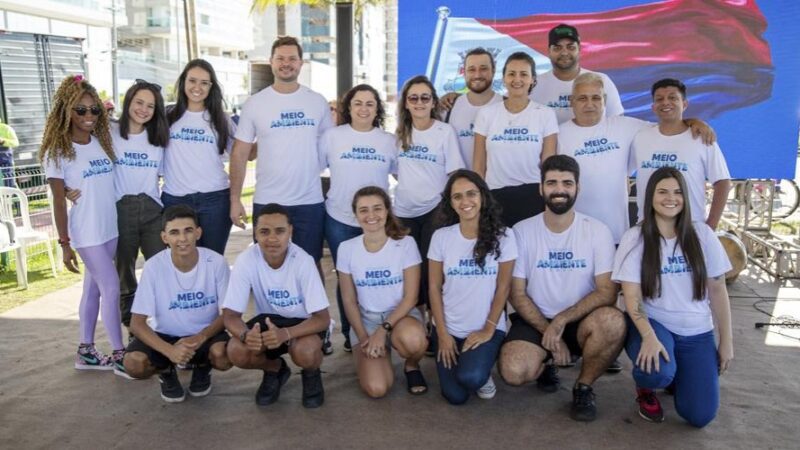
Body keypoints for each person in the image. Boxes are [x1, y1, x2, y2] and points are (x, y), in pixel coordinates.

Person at [498, 155, 624, 422]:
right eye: (552, 182)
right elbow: (516, 293)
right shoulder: (521, 231)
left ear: (578, 188)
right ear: (540, 188)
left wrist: (562, 321)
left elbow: (607, 292)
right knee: (513, 372)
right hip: (535, 320)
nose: (559, 189)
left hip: (581, 321)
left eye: (567, 183)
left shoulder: (598, 231)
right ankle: (547, 363)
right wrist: (549, 332)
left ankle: (584, 386)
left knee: (613, 321)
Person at [612, 167, 733, 427]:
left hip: (697, 332)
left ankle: (680, 373)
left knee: (700, 416)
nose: (671, 198)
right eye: (663, 191)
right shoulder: (635, 237)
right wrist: (648, 336)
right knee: (656, 373)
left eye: (678, 192)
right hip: (655, 323)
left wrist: (726, 342)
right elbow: (631, 298)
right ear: (650, 196)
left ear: (686, 197)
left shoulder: (703, 235)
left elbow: (718, 290)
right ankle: (647, 387)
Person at [558, 72, 716, 244]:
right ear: (571, 101)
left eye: (596, 98)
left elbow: (668, 125)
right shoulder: (558, 134)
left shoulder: (625, 126)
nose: (590, 104)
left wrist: (694, 122)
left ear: (604, 100)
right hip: (572, 233)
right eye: (582, 98)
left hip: (615, 234)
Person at [39, 74, 125, 374]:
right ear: (66, 111)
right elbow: (58, 201)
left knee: (93, 290)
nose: (88, 116)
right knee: (111, 287)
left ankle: (86, 352)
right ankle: (119, 354)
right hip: (86, 232)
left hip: (109, 229)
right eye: (81, 110)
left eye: (94, 110)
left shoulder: (102, 142)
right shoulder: (58, 152)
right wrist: (64, 243)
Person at [229, 36, 334, 266]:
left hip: (309, 201)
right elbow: (239, 153)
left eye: (292, 59)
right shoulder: (255, 103)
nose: (286, 63)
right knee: (268, 266)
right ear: (271, 62)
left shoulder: (317, 102)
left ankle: (311, 305)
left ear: (301, 63)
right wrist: (235, 199)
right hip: (268, 201)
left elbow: (332, 148)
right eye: (280, 58)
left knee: (310, 265)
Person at [223, 203, 330, 408]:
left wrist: (286, 334)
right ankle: (274, 369)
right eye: (264, 231)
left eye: (280, 231)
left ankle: (311, 373)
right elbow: (230, 316)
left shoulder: (303, 261)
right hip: (268, 320)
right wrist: (246, 335)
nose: (272, 238)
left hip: (303, 323)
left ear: (290, 231)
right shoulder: (246, 260)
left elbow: (322, 318)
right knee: (237, 349)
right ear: (255, 232)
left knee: (306, 351)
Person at [123, 205, 232, 402]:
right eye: (174, 232)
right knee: (133, 364)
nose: (182, 239)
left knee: (224, 355)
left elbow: (228, 314)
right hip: (164, 337)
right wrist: (169, 351)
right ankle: (165, 371)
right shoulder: (153, 266)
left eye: (188, 230)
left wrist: (201, 337)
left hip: (204, 334)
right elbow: (137, 324)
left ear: (198, 233)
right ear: (164, 237)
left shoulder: (216, 262)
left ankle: (202, 366)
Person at [320, 84, 397, 352]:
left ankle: (386, 330)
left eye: (370, 104)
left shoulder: (388, 141)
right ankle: (351, 335)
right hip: (339, 219)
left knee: (377, 277)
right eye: (358, 103)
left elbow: (402, 174)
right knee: (347, 282)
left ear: (377, 109)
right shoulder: (332, 137)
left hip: (377, 223)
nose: (363, 108)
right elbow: (313, 168)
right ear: (348, 107)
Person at [428, 169, 517, 405]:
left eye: (471, 194)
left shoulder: (505, 236)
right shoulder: (441, 237)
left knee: (471, 378)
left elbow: (503, 287)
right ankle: (466, 360)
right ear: (450, 202)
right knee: (455, 397)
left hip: (484, 328)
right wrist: (443, 334)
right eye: (457, 196)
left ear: (483, 197)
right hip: (448, 328)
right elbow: (434, 287)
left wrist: (488, 329)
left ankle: (483, 369)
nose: (465, 201)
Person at [338, 186, 428, 397]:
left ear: (388, 210)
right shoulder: (346, 248)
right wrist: (364, 338)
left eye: (377, 208)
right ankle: (379, 356)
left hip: (400, 316)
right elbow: (349, 301)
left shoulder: (405, 244)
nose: (371, 215)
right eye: (364, 210)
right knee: (377, 389)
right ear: (356, 214)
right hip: (366, 320)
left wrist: (383, 330)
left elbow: (411, 297)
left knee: (413, 340)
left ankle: (412, 365)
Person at [393, 75, 465, 323]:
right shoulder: (400, 134)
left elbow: (454, 172)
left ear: (433, 101)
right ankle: (419, 323)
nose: (419, 102)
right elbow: (395, 171)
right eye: (414, 97)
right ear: (406, 103)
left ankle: (437, 323)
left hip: (435, 210)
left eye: (425, 97)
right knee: (411, 271)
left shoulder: (444, 132)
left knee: (432, 269)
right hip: (404, 212)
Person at [632, 78, 732, 230]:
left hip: (690, 228)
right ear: (653, 107)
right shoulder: (640, 137)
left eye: (672, 98)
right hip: (648, 228)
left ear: (684, 104)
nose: (665, 102)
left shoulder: (702, 138)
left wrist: (710, 226)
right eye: (659, 99)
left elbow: (722, 182)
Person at [473, 51, 558, 227]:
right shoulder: (486, 114)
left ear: (533, 80)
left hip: (533, 195)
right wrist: (480, 198)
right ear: (503, 78)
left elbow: (548, 164)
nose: (517, 79)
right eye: (511, 74)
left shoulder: (545, 114)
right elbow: (479, 166)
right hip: (495, 196)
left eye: (523, 74)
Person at [110, 80, 169, 331]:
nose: (143, 109)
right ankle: (134, 337)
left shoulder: (158, 138)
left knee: (161, 272)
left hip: (152, 212)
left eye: (150, 106)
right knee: (125, 278)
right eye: (139, 103)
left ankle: (165, 331)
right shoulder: (110, 133)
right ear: (129, 102)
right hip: (120, 211)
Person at [162, 59, 236, 255]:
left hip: (215, 200)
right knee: (180, 261)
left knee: (212, 259)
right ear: (183, 82)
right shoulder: (166, 115)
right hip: (175, 199)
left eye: (204, 83)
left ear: (211, 87)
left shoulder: (221, 119)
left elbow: (243, 155)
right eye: (192, 81)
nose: (197, 87)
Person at [532, 24, 624, 124]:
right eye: (558, 48)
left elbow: (618, 123)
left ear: (579, 49)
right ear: (549, 51)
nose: (564, 53)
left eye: (570, 47)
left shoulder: (601, 80)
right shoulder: (534, 86)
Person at [445, 48, 503, 170]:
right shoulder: (448, 106)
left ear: (493, 71)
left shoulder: (508, 105)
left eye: (483, 69)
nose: (477, 75)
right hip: (458, 185)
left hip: (497, 186)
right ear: (464, 73)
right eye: (471, 69)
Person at [0, 117, 19, 188]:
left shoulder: (6, 128)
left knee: (8, 182)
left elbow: (16, 143)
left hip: (6, 161)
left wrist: (3, 141)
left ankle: (11, 196)